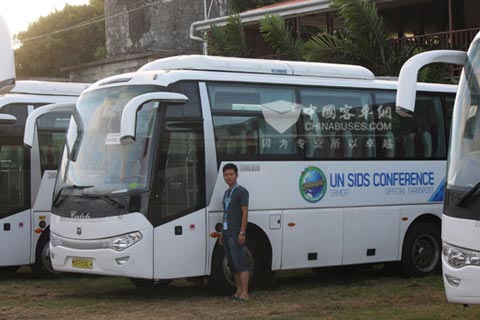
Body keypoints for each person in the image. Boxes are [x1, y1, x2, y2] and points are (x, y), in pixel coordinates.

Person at [219, 163, 250, 302]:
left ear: (236, 175)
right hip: (226, 233)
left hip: (236, 232)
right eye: (226, 175)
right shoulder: (226, 193)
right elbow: (225, 213)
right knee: (232, 263)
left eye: (231, 174)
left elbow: (244, 213)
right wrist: (221, 233)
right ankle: (238, 291)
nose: (228, 177)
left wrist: (242, 232)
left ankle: (245, 293)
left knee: (240, 262)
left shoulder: (242, 191)